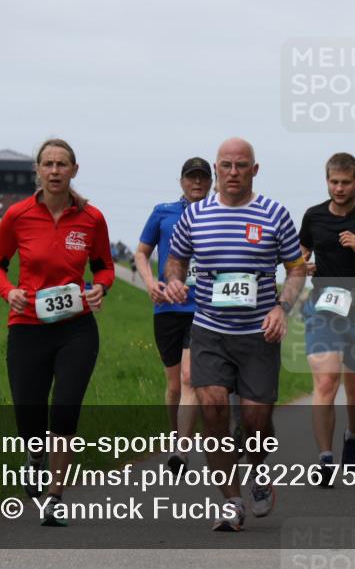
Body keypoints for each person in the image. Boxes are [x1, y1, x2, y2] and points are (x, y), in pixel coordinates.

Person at [163, 137, 307, 532]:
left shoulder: (274, 214)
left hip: (259, 333)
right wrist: (174, 281)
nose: (232, 172)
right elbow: (176, 260)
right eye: (225, 165)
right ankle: (231, 502)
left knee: (257, 423)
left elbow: (296, 268)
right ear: (216, 169)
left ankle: (258, 469)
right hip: (210, 331)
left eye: (241, 165)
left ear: (254, 170)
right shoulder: (195, 215)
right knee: (213, 412)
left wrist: (281, 307)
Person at [0, 138, 115, 526]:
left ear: (74, 170)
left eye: (62, 164)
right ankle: (35, 456)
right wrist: (9, 293)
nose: (55, 170)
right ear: (38, 170)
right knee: (30, 414)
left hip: (76, 328)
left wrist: (100, 287)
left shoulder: (92, 218)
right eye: (48, 164)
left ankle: (55, 496)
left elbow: (105, 266)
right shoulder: (18, 215)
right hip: (28, 327)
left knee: (65, 409)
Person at [299, 153, 355, 483]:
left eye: (345, 182)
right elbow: (300, 253)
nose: (339, 188)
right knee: (326, 382)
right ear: (327, 181)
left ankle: (352, 435)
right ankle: (325, 459)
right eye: (334, 182)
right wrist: (301, 265)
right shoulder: (314, 216)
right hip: (324, 308)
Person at [134, 157, 213, 472]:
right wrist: (149, 283)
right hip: (167, 307)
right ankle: (175, 435)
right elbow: (141, 252)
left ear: (211, 183)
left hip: (203, 308)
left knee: (189, 377)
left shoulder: (218, 214)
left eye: (203, 178)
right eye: (192, 177)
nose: (197, 183)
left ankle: (181, 448)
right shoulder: (163, 212)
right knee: (174, 386)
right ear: (181, 181)